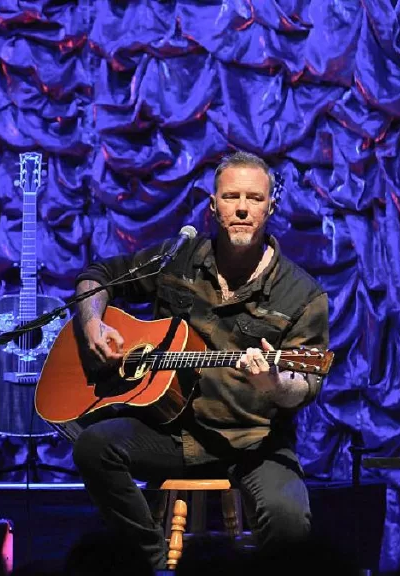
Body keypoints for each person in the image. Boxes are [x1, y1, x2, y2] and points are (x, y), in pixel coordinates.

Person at [69, 151, 329, 569]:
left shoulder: (302, 294)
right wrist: (91, 324)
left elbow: (306, 382)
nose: (242, 208)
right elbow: (96, 276)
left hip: (252, 441)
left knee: (289, 520)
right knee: (93, 447)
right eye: (231, 196)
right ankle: (153, 563)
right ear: (212, 205)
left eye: (254, 198)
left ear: (271, 207)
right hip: (171, 431)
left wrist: (275, 384)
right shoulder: (178, 258)